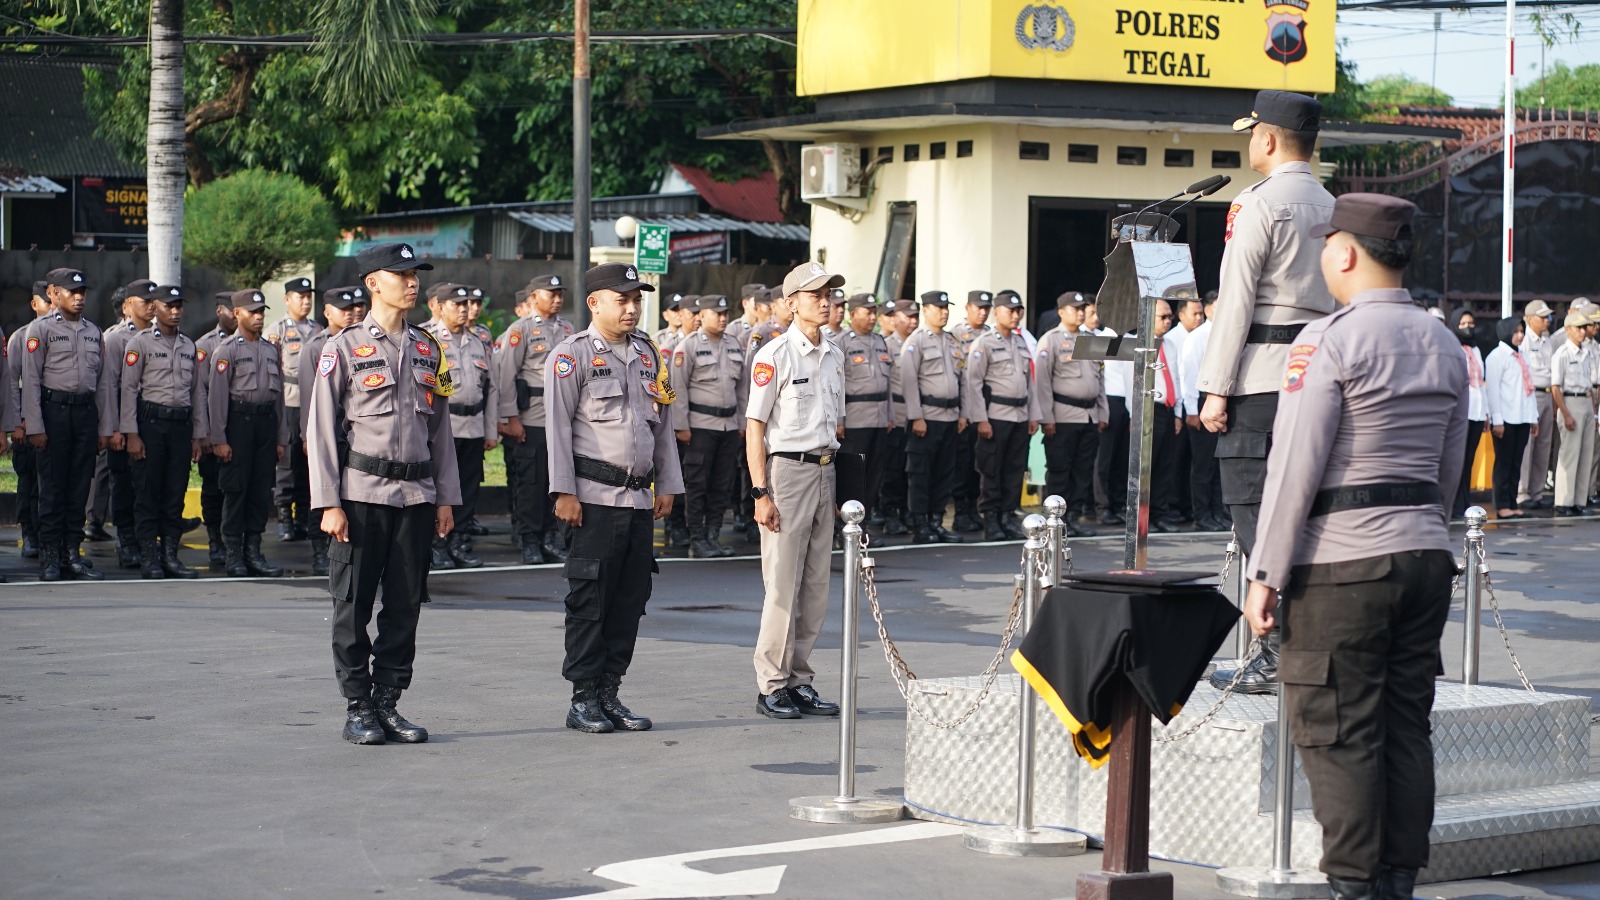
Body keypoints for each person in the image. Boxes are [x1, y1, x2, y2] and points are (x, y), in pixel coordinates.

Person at [1243, 193, 1466, 900]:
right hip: (1425, 551)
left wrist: (1266, 572)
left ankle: (1352, 886)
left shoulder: (1326, 340)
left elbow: (1293, 468)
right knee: (1404, 726)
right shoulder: (1447, 343)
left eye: (1326, 244)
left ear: (1343, 253)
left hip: (1342, 563)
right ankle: (1395, 881)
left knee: (1338, 732)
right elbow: (1448, 468)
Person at [1200, 89, 1335, 694]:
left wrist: (1215, 388)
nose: (1248, 140)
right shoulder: (1334, 205)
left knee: (1256, 513)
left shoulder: (1256, 204)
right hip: (1318, 373)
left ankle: (1277, 649)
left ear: (1270, 139)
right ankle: (1309, 643)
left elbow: (1236, 304)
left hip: (1259, 378)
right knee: (1310, 512)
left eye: (1253, 131)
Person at [308, 241, 458, 745]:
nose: (412, 282)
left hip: (415, 496)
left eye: (415, 274)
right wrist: (329, 502)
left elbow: (440, 431)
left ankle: (388, 702)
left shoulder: (426, 348)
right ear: (374, 282)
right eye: (402, 274)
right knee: (352, 603)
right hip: (361, 495)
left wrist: (445, 497)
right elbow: (322, 429)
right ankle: (357, 706)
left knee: (405, 603)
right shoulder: (344, 347)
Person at [546, 262, 682, 733]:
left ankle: (610, 692)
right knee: (590, 601)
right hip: (593, 498)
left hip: (638, 500)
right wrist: (563, 491)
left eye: (637, 299)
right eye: (622, 299)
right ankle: (583, 697)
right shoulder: (572, 355)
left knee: (630, 598)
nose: (631, 308)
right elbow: (558, 429)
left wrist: (668, 483)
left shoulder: (649, 355)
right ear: (595, 303)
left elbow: (661, 425)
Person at [747, 262, 846, 719]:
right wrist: (759, 491)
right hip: (787, 473)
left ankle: (800, 679)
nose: (825, 301)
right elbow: (755, 426)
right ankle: (771, 683)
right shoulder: (775, 355)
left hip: (825, 470)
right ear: (791, 303)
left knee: (816, 586)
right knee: (782, 585)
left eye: (830, 293)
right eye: (814, 294)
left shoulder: (835, 354)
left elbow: (835, 422)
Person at [21, 268, 113, 581]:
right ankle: (50, 557)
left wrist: (104, 428)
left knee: (78, 488)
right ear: (53, 294)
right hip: (53, 413)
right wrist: (35, 425)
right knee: (52, 489)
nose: (79, 297)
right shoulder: (40, 330)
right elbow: (31, 381)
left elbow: (103, 385)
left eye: (82, 292)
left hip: (84, 415)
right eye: (72, 291)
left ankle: (71, 553)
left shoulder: (93, 332)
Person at [120, 284, 203, 579]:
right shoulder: (139, 343)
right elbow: (128, 390)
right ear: (156, 308)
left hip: (180, 425)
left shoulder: (189, 346)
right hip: (150, 423)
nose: (176, 311)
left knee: (174, 492)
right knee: (147, 492)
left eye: (179, 305)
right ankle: (149, 557)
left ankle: (170, 555)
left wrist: (198, 435)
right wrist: (131, 433)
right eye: (170, 305)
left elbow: (197, 394)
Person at [496, 273, 576, 564]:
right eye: (550, 293)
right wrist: (510, 417)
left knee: (557, 481)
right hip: (532, 416)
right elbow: (506, 377)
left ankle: (551, 536)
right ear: (533, 298)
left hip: (563, 417)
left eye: (560, 293)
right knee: (531, 482)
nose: (557, 298)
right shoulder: (521, 330)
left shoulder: (568, 328)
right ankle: (529, 539)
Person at [207, 290, 287, 578]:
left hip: (265, 424)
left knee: (259, 490)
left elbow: (278, 399)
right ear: (236, 313)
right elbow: (216, 400)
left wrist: (281, 437)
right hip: (238, 424)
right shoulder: (226, 350)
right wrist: (219, 439)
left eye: (261, 312)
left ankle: (254, 551)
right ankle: (232, 554)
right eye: (252, 312)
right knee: (235, 491)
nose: (258, 317)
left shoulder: (269, 349)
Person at [423, 283, 499, 570]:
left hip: (473, 425)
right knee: (440, 486)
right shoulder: (428, 339)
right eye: (458, 304)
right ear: (441, 307)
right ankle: (438, 543)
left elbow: (490, 389)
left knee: (468, 488)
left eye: (467, 303)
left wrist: (490, 430)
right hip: (445, 426)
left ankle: (460, 542)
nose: (465, 309)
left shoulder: (477, 340)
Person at [669, 294, 746, 558]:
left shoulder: (734, 344)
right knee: (697, 484)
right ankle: (697, 539)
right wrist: (681, 426)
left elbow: (743, 388)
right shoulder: (688, 347)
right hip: (700, 426)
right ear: (702, 316)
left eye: (726, 313)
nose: (723, 318)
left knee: (721, 484)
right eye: (717, 313)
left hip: (728, 425)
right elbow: (676, 388)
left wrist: (743, 421)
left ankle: (713, 536)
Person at [298, 285, 368, 576]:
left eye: (355, 309)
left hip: (351, 432)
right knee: (321, 491)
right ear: (327, 312)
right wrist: (306, 436)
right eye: (345, 309)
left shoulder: (362, 342)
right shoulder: (317, 346)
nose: (352, 314)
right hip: (326, 430)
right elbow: (307, 398)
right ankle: (318, 548)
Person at [961, 290, 1039, 541]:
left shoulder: (1020, 341)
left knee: (1015, 468)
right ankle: (991, 517)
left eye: (1019, 311)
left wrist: (1033, 415)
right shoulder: (984, 343)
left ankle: (1007, 515)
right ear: (997, 312)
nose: (1016, 316)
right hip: (995, 415)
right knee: (991, 469)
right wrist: (980, 418)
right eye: (1010, 311)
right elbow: (973, 382)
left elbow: (1030, 383)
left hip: (1019, 415)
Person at [1034, 291, 1107, 537]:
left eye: (1081, 308)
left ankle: (1073, 517)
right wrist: (1047, 418)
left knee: (1082, 470)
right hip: (1063, 416)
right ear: (1061, 311)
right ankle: (1055, 519)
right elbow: (1042, 382)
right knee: (1060, 471)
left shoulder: (1090, 339)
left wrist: (1102, 411)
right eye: (1074, 308)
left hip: (1089, 415)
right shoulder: (1051, 340)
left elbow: (1100, 377)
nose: (1079, 312)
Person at [899, 290, 967, 544]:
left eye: (946, 307)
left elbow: (962, 379)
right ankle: (920, 524)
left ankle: (937, 522)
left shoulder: (952, 340)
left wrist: (963, 413)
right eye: (938, 307)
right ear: (925, 310)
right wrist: (916, 416)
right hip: (926, 417)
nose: (944, 311)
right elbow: (908, 381)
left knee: (944, 472)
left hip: (950, 416)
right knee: (920, 473)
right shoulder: (916, 341)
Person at [101, 280, 158, 569]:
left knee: (148, 486)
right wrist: (113, 428)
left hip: (151, 421)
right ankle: (126, 540)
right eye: (144, 300)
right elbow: (110, 387)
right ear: (127, 306)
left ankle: (146, 539)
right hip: (124, 422)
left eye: (153, 300)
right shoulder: (116, 339)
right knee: (123, 484)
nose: (151, 305)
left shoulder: (163, 336)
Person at [267, 276, 319, 542]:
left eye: (309, 296)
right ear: (287, 299)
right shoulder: (276, 330)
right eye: (300, 296)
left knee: (310, 463)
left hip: (313, 405)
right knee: (288, 464)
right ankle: (285, 519)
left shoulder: (318, 329)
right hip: (288, 403)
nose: (306, 301)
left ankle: (302, 519)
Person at [837, 293, 893, 526]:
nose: (873, 317)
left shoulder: (880, 341)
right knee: (854, 477)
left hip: (879, 418)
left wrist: (890, 415)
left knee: (873, 475)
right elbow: (836, 385)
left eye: (874, 312)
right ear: (852, 315)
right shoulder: (843, 342)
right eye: (867, 312)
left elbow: (887, 383)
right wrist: (839, 420)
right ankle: (846, 524)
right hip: (856, 419)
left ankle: (864, 522)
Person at [9, 283, 54, 561]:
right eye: (45, 302)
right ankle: (30, 534)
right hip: (27, 421)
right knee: (28, 482)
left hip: (53, 417)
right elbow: (13, 383)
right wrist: (18, 420)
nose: (50, 307)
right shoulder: (20, 337)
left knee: (51, 483)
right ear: (34, 304)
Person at [195, 294, 238, 569]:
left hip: (240, 426)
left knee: (237, 489)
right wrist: (205, 432)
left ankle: (237, 543)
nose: (236, 315)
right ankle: (215, 541)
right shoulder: (204, 345)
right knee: (213, 488)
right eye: (231, 310)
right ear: (219, 310)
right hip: (213, 427)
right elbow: (199, 392)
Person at [1182, 292, 1231, 531]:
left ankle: (1218, 512)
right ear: (1210, 310)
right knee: (1203, 465)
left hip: (1222, 402)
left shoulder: (1227, 332)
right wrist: (1192, 410)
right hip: (1202, 401)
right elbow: (1189, 375)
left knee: (1219, 463)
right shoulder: (1198, 336)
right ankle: (1202, 515)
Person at [1484, 317, 1539, 520]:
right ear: (1506, 332)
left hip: (1522, 417)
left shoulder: (1522, 355)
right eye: (1515, 331)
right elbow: (1493, 392)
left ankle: (1512, 502)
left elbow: (1529, 389)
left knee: (1516, 462)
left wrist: (1533, 417)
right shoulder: (1496, 357)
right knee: (1504, 463)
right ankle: (1502, 505)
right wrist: (1497, 420)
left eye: (1521, 331)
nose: (1520, 335)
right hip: (1505, 419)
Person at [876, 300, 919, 536]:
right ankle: (890, 513)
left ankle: (909, 511)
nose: (913, 321)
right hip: (897, 413)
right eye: (908, 316)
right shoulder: (886, 345)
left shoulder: (920, 342)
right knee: (892, 469)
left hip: (917, 415)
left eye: (916, 317)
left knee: (912, 469)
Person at [1550, 312, 1597, 516]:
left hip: (1587, 401)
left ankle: (1579, 500)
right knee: (1569, 454)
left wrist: (1594, 413)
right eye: (1578, 327)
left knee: (1586, 454)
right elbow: (1555, 387)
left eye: (1583, 327)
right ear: (1568, 329)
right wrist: (1565, 413)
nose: (1582, 331)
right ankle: (1563, 501)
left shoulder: (1587, 352)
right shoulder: (1562, 353)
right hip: (1570, 400)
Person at [1089, 298, 1131, 527]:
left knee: (1121, 458)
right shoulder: (1099, 339)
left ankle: (1117, 504)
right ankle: (1102, 506)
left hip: (1127, 402)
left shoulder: (1132, 340)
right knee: (1103, 458)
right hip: (1109, 400)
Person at [1448, 308, 1489, 518]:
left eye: (1471, 323)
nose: (1468, 328)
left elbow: (1481, 383)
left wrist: (1487, 412)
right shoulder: (1453, 348)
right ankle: (1454, 503)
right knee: (1458, 459)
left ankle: (1465, 500)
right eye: (1463, 324)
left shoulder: (1476, 350)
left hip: (1477, 411)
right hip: (1461, 412)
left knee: (1469, 460)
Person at [1517, 300, 1557, 510]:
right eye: (1542, 317)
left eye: (1547, 317)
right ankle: (1523, 492)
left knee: (1543, 445)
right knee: (1528, 446)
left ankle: (1537, 491)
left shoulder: (1548, 341)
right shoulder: (1524, 341)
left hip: (1549, 394)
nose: (1546, 321)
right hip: (1532, 395)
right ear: (1530, 318)